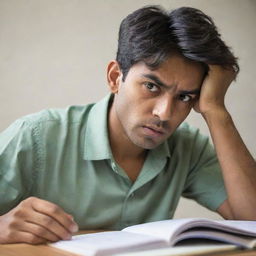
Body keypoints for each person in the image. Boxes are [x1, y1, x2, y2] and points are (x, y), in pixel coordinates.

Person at [0, 5, 255, 245]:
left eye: (184, 97)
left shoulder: (188, 147)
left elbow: (252, 219)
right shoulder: (34, 136)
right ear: (115, 78)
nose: (164, 113)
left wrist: (216, 111)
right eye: (151, 86)